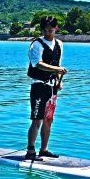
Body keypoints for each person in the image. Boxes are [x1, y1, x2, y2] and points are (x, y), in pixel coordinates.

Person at [25, 16, 67, 161]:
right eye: (45, 30)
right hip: (39, 86)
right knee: (37, 120)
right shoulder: (36, 44)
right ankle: (30, 151)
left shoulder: (59, 44)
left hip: (52, 87)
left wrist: (59, 80)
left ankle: (43, 150)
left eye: (51, 30)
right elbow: (37, 63)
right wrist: (57, 69)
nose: (48, 33)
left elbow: (57, 63)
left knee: (48, 120)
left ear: (56, 28)